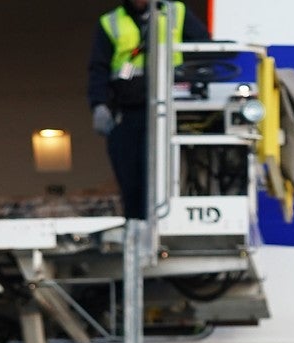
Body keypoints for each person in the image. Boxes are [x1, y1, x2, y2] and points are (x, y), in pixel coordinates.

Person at [86, 0, 211, 218]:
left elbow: (203, 50)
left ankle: (169, 227)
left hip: (172, 112)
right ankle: (137, 232)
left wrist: (195, 82)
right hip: (129, 113)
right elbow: (99, 68)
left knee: (170, 178)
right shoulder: (111, 22)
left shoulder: (177, 12)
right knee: (132, 181)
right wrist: (99, 105)